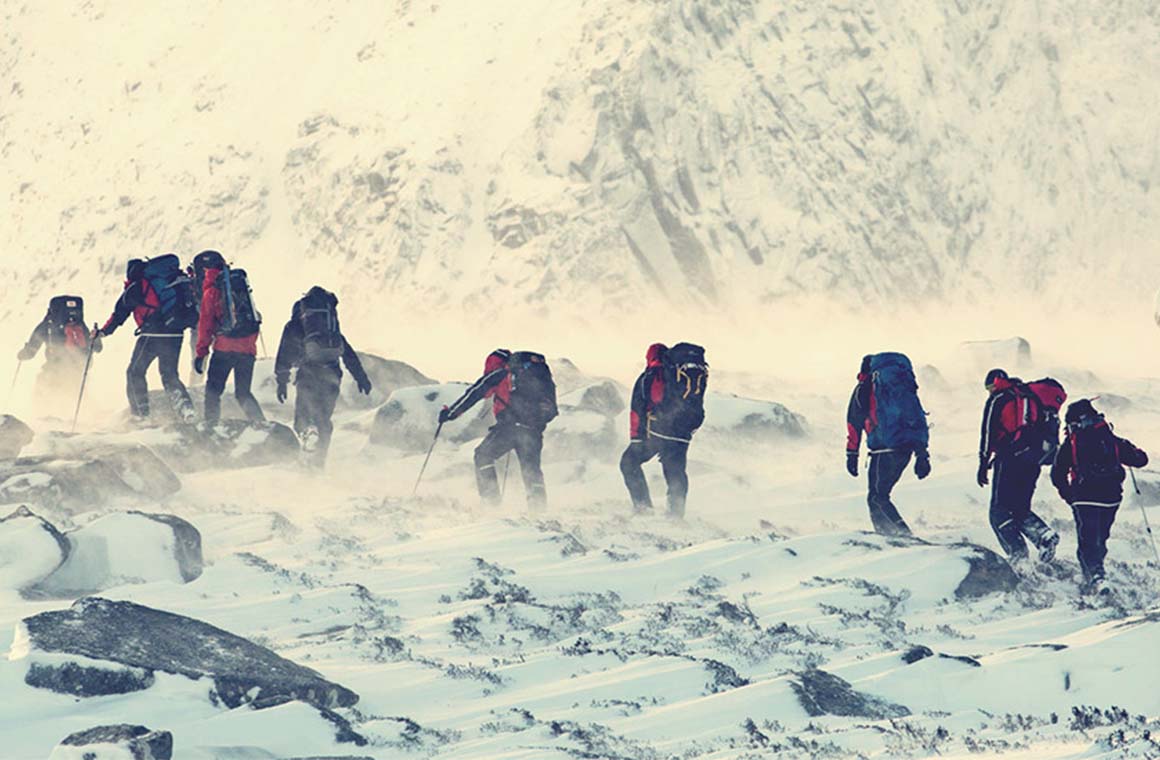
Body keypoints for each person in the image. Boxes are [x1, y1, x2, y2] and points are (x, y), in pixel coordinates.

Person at [438, 349, 558, 510]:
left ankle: (491, 504)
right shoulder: (538, 374)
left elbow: (474, 393)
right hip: (534, 430)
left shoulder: (500, 373)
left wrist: (449, 414)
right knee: (531, 469)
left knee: (483, 455)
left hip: (508, 428)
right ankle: (538, 510)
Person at [1051, 399, 1148, 594]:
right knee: (1100, 539)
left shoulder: (1072, 442)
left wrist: (1070, 496)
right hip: (1111, 497)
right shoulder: (1110, 438)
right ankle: (1097, 575)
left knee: (1086, 540)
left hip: (1084, 496)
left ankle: (1095, 579)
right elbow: (1140, 459)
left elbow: (1057, 473)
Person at [274, 286, 371, 467]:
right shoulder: (331, 326)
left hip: (308, 375)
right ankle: (319, 463)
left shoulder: (295, 324)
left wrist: (282, 381)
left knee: (302, 419)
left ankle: (304, 457)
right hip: (332, 376)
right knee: (323, 420)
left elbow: (284, 353)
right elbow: (347, 353)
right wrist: (361, 378)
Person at [97, 256, 196, 423]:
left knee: (135, 372)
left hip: (152, 335)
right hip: (175, 333)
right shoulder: (164, 282)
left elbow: (119, 314)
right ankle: (186, 410)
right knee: (169, 374)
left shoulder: (137, 287)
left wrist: (103, 332)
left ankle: (140, 415)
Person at [977, 368, 1060, 563]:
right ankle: (1043, 536)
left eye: (989, 388)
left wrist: (983, 462)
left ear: (996, 383)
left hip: (1009, 459)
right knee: (1020, 508)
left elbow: (987, 433)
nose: (989, 392)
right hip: (1032, 460)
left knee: (998, 511)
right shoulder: (1029, 397)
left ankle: (1018, 556)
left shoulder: (999, 399)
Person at [845, 353, 931, 537]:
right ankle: (894, 535)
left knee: (877, 497)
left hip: (883, 450)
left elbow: (854, 422)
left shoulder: (866, 388)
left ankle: (899, 537)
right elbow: (917, 418)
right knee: (881, 496)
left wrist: (852, 454)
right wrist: (922, 454)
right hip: (905, 449)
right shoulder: (903, 387)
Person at [619, 342, 708, 518]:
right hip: (683, 431)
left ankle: (643, 509)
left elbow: (637, 409)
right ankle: (676, 515)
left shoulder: (652, 375)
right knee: (675, 471)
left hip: (658, 431)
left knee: (628, 462)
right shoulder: (681, 373)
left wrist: (637, 438)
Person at [191, 250, 265, 425]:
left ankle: (210, 427)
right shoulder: (238, 283)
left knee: (213, 392)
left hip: (224, 349)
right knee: (243, 393)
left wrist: (201, 353)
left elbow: (205, 325)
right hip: (247, 350)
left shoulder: (212, 290)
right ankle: (261, 423)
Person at [18, 296, 102, 411]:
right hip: (78, 368)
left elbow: (32, 348)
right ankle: (86, 414)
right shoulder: (80, 324)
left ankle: (41, 414)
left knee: (44, 390)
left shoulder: (48, 324)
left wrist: (23, 355)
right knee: (76, 394)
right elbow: (97, 348)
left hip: (54, 368)